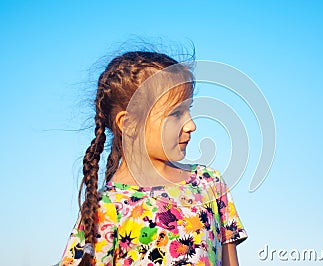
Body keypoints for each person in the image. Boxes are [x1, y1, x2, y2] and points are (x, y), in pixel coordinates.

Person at [60, 50, 247, 266]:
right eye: (176, 114)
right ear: (129, 125)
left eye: (188, 111)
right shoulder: (105, 209)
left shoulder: (209, 183)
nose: (191, 125)